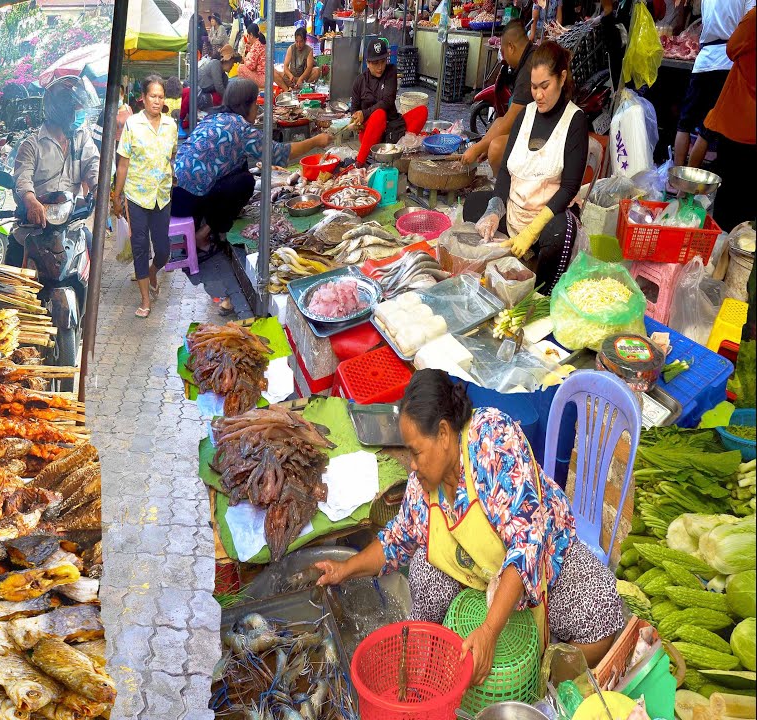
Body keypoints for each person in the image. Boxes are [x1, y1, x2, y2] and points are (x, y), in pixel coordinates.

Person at [315, 370, 624, 680]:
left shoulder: (493, 441)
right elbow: (398, 538)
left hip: (544, 559)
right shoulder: (422, 484)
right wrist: (345, 569)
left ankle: (543, 679)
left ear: (444, 433)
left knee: (601, 605)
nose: (412, 464)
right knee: (424, 570)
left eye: (416, 452)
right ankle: (433, 667)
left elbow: (527, 543)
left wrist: (489, 631)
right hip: (478, 573)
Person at [171, 78, 332, 302]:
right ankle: (203, 235)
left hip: (175, 193)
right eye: (256, 104)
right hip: (188, 200)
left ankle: (206, 225)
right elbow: (279, 154)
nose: (257, 109)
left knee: (240, 169)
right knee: (245, 181)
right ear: (245, 105)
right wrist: (316, 141)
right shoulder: (241, 128)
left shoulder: (214, 117)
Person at [462, 41, 587, 295]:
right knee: (473, 205)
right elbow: (505, 171)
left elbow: (569, 187)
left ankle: (541, 294)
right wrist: (494, 211)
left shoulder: (575, 121)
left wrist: (532, 230)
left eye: (545, 86)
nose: (538, 95)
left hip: (547, 217)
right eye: (533, 87)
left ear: (562, 78)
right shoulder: (525, 115)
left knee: (561, 233)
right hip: (515, 210)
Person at [114, 77, 179, 318]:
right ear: (143, 98)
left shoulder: (171, 125)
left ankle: (153, 271)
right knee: (140, 247)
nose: (157, 101)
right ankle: (144, 299)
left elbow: (171, 156)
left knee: (163, 250)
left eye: (161, 96)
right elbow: (123, 163)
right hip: (136, 197)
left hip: (161, 195)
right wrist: (117, 196)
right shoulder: (133, 124)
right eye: (153, 96)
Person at [673, 0, 754, 168]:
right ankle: (689, 177)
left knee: (685, 124)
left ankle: (676, 176)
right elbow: (747, 28)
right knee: (707, 130)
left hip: (703, 61)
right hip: (727, 62)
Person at [13, 75, 101, 229]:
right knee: (16, 243)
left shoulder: (82, 137)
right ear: (61, 111)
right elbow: (23, 179)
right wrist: (31, 201)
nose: (79, 113)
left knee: (89, 241)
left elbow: (92, 165)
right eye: (75, 109)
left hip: (72, 222)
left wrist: (98, 188)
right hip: (38, 223)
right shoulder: (31, 145)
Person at [701, 8, 755, 231]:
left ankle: (727, 242)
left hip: (740, 119)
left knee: (731, 193)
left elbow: (732, 48)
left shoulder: (754, 18)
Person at [461, 20, 536, 172]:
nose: (504, 58)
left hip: (545, 134)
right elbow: (505, 120)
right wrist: (484, 144)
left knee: (496, 148)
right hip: (533, 125)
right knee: (498, 122)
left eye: (503, 51)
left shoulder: (529, 68)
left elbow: (512, 118)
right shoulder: (529, 56)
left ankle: (504, 186)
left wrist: (478, 147)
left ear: (511, 47)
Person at [351, 37, 429, 166]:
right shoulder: (359, 81)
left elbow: (388, 100)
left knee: (422, 111)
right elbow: (354, 109)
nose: (380, 67)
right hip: (371, 131)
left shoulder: (391, 71)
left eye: (383, 62)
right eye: (375, 63)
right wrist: (356, 119)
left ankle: (401, 147)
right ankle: (360, 162)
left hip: (393, 128)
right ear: (368, 63)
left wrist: (364, 113)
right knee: (379, 114)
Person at [185, 46, 238, 129]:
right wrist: (231, 103)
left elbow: (226, 92)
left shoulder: (224, 77)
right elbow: (219, 88)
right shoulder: (215, 64)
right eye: (233, 62)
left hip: (201, 93)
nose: (233, 65)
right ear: (228, 60)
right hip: (191, 90)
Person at [237, 23, 278, 89]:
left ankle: (245, 90)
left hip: (263, 78)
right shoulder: (261, 42)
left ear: (251, 35)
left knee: (240, 68)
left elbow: (251, 66)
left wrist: (244, 59)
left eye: (248, 35)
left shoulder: (256, 45)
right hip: (267, 75)